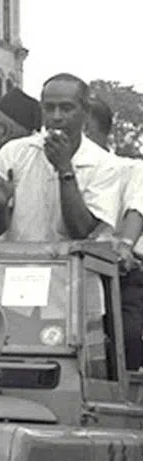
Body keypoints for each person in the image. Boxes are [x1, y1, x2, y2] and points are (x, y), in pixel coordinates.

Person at [0, 74, 120, 243]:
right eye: (49, 108)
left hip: (72, 268)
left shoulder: (104, 164)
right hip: (18, 265)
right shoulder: (14, 152)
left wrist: (64, 168)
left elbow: (82, 232)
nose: (57, 117)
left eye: (66, 108)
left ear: (86, 112)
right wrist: (0, 207)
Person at [86, 98, 143, 369]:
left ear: (87, 128)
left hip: (120, 273)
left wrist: (126, 246)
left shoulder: (129, 168)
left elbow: (136, 209)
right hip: (71, 272)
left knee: (127, 336)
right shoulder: (61, 170)